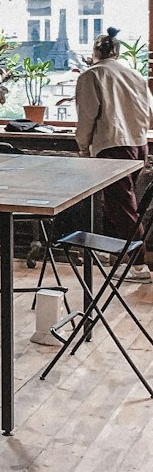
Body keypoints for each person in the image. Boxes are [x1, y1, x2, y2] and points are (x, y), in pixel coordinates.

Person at [75, 26, 153, 282]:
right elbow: (148, 112)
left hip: (112, 145)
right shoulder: (135, 75)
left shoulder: (92, 75)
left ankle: (140, 265)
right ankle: (114, 257)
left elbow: (87, 115)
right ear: (117, 52)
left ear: (96, 51)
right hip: (138, 143)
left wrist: (83, 146)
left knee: (121, 207)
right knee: (115, 204)